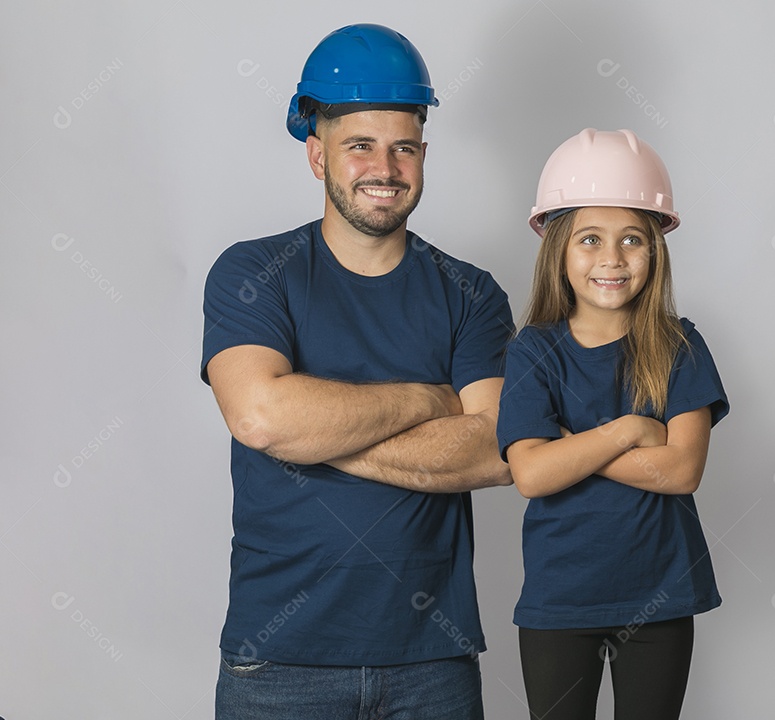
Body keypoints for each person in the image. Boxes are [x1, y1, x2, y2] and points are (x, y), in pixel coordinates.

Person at [200, 23, 513, 720]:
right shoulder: (254, 275)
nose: (386, 167)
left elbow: (497, 449)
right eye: (359, 145)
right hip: (278, 665)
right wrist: (431, 400)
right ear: (317, 156)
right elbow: (259, 416)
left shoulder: (472, 294)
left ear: (424, 155)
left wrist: (315, 432)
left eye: (404, 146)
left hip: (433, 659)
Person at [496, 128, 729, 720]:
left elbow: (681, 471)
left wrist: (572, 448)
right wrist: (627, 430)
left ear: (656, 250)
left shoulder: (680, 345)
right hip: (559, 601)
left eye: (632, 240)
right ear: (558, 251)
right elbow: (530, 473)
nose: (611, 259)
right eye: (590, 239)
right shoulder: (533, 351)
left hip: (659, 598)